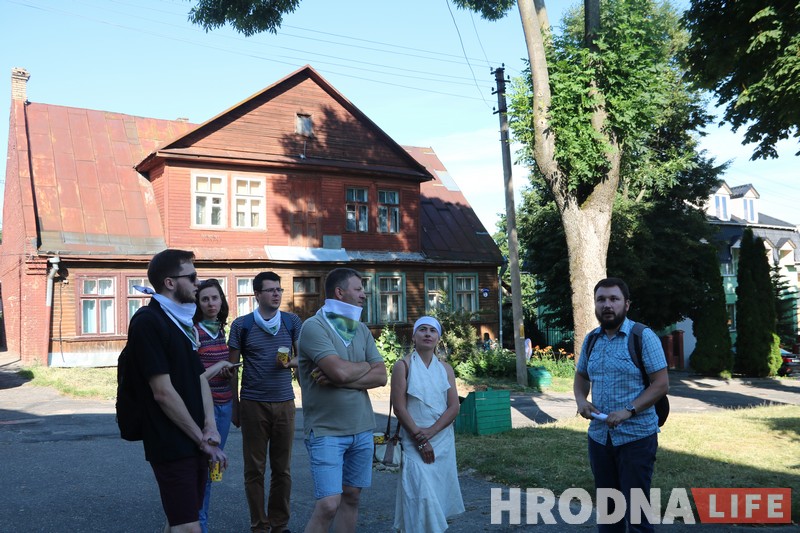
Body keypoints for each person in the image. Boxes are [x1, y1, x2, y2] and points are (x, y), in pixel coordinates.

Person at [126, 249, 229, 533]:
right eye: (192, 277)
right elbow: (162, 392)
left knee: (177, 522)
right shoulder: (148, 321)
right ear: (170, 282)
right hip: (171, 442)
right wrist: (201, 440)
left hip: (193, 439)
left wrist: (210, 427)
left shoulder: (179, 321)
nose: (198, 284)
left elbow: (199, 379)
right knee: (188, 527)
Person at [573, 278, 669, 533]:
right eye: (601, 299)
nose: (607, 305)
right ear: (595, 304)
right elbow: (581, 376)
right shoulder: (592, 340)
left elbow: (661, 384)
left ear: (626, 304)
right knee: (608, 513)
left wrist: (629, 410)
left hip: (636, 438)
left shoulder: (642, 336)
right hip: (599, 439)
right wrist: (582, 401)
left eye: (613, 299)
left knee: (637, 515)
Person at [298, 267, 387, 533]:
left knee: (352, 497)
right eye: (358, 289)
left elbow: (381, 375)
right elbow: (338, 371)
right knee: (328, 504)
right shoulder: (314, 327)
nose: (364, 295)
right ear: (340, 292)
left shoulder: (360, 329)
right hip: (326, 432)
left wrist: (345, 375)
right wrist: (362, 368)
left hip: (361, 429)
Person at [228, 272, 301, 533]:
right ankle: (259, 524)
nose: (276, 294)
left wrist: (292, 363)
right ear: (257, 294)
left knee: (283, 469)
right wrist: (233, 407)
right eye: (270, 290)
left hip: (284, 403)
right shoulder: (242, 325)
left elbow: (302, 359)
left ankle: (279, 524)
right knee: (254, 470)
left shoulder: (292, 322)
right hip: (252, 404)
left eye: (279, 290)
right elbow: (232, 369)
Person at [391, 316, 464, 533]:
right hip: (414, 440)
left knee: (437, 496)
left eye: (432, 331)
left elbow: (453, 407)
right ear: (414, 336)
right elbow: (400, 408)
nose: (427, 334)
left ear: (438, 338)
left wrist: (430, 434)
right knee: (419, 495)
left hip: (441, 439)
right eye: (422, 329)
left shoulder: (446, 369)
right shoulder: (402, 366)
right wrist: (420, 440)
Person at [192, 279, 234, 533]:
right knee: (204, 469)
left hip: (226, 404)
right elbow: (193, 379)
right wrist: (219, 367)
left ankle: (198, 521)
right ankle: (198, 525)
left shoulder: (219, 330)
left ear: (221, 300)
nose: (210, 303)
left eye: (215, 298)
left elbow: (216, 370)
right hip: (206, 411)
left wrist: (225, 372)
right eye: (205, 299)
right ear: (198, 302)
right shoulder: (195, 331)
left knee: (213, 467)